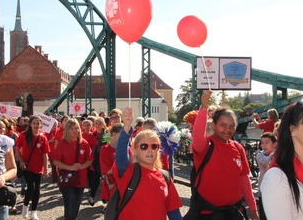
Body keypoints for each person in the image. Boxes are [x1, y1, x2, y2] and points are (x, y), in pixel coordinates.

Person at [185, 90, 258, 220]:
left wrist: (253, 207)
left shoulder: (238, 148)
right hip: (207, 215)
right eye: (223, 125)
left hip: (233, 213)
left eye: (232, 126)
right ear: (213, 125)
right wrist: (203, 108)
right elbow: (197, 136)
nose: (228, 129)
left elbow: (244, 179)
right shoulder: (205, 146)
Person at [113, 107, 183, 219]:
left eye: (154, 146)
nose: (149, 150)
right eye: (144, 146)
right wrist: (126, 127)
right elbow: (120, 155)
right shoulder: (129, 172)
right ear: (134, 150)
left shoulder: (165, 177)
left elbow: (174, 212)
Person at [53, 118, 93, 219]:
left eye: (76, 128)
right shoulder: (62, 143)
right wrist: (70, 167)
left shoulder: (84, 143)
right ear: (67, 130)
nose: (74, 131)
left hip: (81, 178)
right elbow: (56, 161)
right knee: (70, 201)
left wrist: (82, 166)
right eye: (71, 128)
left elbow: (90, 159)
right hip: (67, 178)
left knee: (76, 203)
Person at [16, 115, 50, 220]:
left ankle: (34, 212)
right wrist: (21, 161)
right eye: (34, 123)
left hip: (38, 167)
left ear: (41, 125)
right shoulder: (23, 135)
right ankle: (25, 206)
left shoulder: (43, 137)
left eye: (38, 123)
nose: (36, 125)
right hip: (27, 166)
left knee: (37, 189)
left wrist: (45, 169)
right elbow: (17, 149)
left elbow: (45, 155)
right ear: (30, 124)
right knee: (31, 187)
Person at [99, 123, 122, 205]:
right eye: (121, 134)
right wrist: (124, 168)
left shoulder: (126, 148)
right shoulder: (105, 149)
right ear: (113, 134)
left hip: (124, 185)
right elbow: (107, 170)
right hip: (111, 186)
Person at [256, 132, 277, 219]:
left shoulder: (277, 155)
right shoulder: (260, 155)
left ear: (275, 144)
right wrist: (274, 154)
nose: (264, 145)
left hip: (275, 190)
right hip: (263, 190)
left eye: (267, 142)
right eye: (262, 142)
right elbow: (265, 163)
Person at [87, 116, 106, 206]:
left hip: (104, 161)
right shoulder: (91, 135)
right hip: (94, 161)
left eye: (100, 123)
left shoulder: (106, 135)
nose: (98, 125)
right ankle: (91, 197)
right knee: (95, 181)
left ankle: (104, 203)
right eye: (96, 123)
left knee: (105, 183)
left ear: (103, 124)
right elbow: (87, 148)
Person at [45, 120, 59, 187]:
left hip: (59, 152)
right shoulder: (48, 133)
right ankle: (54, 181)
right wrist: (49, 141)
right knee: (54, 167)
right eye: (53, 124)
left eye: (55, 124)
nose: (54, 126)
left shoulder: (59, 132)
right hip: (51, 153)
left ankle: (60, 178)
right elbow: (44, 142)